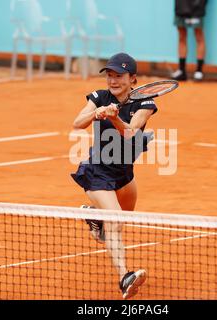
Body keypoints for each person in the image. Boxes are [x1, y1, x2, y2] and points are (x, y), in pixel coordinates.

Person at [71, 53, 157, 299]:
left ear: (132, 79)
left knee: (121, 219)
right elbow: (77, 123)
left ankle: (95, 217)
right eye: (110, 75)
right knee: (116, 221)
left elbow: (131, 132)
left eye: (118, 76)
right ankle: (124, 277)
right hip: (97, 172)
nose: (113, 80)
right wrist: (96, 112)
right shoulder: (99, 96)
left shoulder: (145, 102)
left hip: (124, 175)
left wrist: (114, 117)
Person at [171, 0, 208, 81]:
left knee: (199, 37)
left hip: (197, 7)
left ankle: (199, 71)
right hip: (180, 7)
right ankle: (181, 71)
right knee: (181, 36)